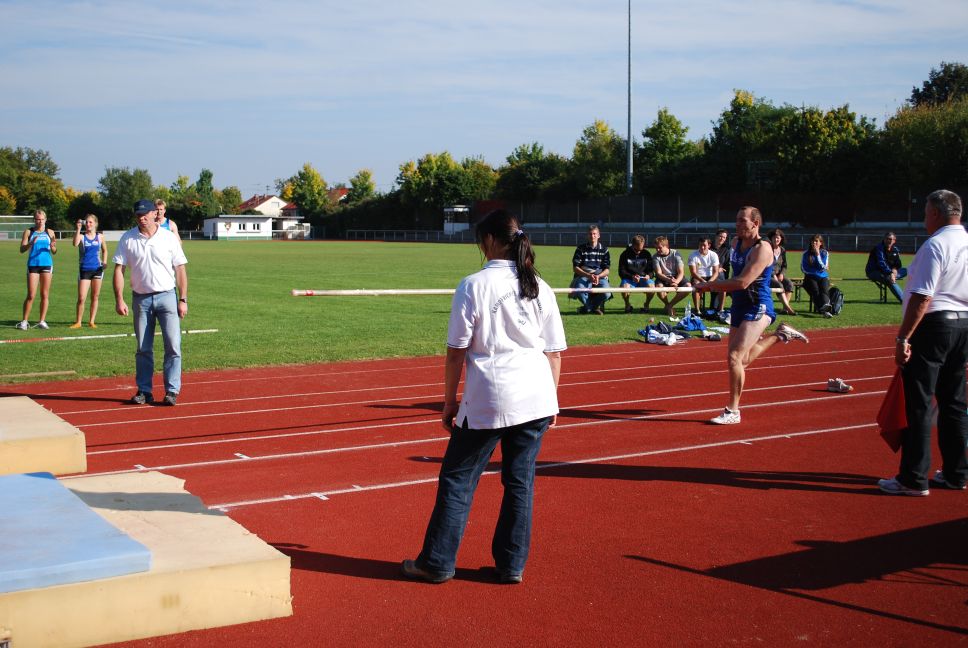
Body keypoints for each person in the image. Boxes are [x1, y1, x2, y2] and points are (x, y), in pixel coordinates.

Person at [401, 209, 566, 585]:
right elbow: (554, 353)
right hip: (536, 396)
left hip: (492, 396)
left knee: (458, 479)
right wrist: (551, 400)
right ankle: (511, 565)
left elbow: (456, 351)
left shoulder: (474, 285)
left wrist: (449, 402)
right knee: (520, 482)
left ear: (490, 240)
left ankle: (437, 562)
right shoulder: (540, 286)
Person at [878, 190, 967, 496]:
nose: (924, 218)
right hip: (962, 324)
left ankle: (913, 478)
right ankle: (957, 473)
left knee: (919, 403)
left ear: (936, 213)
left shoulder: (936, 245)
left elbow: (922, 297)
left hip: (935, 326)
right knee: (954, 402)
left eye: (926, 212)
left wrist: (903, 337)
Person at [694, 207, 809, 425]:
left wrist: (710, 286)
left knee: (734, 358)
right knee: (742, 359)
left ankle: (733, 411)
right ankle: (780, 335)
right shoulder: (735, 243)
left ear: (755, 224)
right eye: (736, 220)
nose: (737, 224)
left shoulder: (762, 249)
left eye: (742, 221)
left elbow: (743, 282)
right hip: (739, 305)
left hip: (758, 305)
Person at [113, 199, 189, 406]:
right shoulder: (128, 238)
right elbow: (119, 269)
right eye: (138, 215)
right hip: (141, 299)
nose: (142, 218)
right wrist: (119, 299)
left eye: (145, 214)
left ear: (155, 213)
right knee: (143, 348)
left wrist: (183, 299)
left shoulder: (168, 237)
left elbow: (180, 269)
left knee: (173, 345)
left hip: (167, 297)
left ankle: (171, 391)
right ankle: (144, 391)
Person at [17, 209, 57, 330]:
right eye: (38, 219)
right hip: (33, 265)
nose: (40, 221)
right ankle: (24, 321)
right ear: (34, 220)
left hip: (47, 265)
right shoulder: (29, 232)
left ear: (45, 219)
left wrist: (52, 246)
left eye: (42, 219)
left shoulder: (50, 232)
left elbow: (54, 251)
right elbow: (21, 249)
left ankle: (42, 321)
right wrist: (30, 243)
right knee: (31, 295)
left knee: (44, 294)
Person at [70, 213, 108, 329]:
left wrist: (104, 262)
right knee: (81, 298)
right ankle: (78, 322)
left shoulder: (100, 237)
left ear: (95, 224)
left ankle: (91, 321)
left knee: (95, 296)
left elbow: (105, 250)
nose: (88, 224)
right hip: (84, 270)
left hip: (97, 270)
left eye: (90, 222)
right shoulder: (82, 237)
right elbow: (75, 244)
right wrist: (78, 229)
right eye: (86, 222)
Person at [569, 225, 611, 315]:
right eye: (590, 234)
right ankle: (593, 308)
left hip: (600, 276)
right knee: (579, 290)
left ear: (598, 235)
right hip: (584, 276)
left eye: (594, 234)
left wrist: (598, 276)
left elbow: (607, 270)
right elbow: (575, 268)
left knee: (607, 293)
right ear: (587, 235)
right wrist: (588, 275)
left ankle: (587, 308)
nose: (592, 236)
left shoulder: (604, 250)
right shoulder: (580, 249)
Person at [652, 236, 690, 317]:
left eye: (659, 248)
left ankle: (669, 305)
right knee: (659, 288)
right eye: (656, 248)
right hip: (663, 278)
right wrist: (669, 280)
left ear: (667, 246)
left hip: (676, 277)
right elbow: (658, 273)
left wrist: (676, 281)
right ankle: (667, 305)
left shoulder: (676, 254)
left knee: (688, 286)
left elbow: (681, 272)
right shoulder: (655, 257)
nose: (657, 250)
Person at [617, 234, 655, 313]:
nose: (639, 252)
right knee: (624, 287)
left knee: (652, 287)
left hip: (643, 279)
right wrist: (632, 277)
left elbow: (651, 271)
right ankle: (627, 304)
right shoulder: (624, 254)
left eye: (641, 249)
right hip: (630, 279)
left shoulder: (647, 254)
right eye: (637, 250)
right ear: (633, 245)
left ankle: (646, 305)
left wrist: (649, 276)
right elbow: (621, 271)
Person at [866, 232, 907, 302]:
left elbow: (898, 263)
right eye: (888, 239)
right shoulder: (878, 248)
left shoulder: (895, 249)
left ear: (894, 240)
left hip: (888, 272)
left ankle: (892, 277)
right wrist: (890, 273)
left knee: (908, 270)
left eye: (892, 239)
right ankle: (905, 301)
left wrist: (894, 269)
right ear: (884, 239)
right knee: (889, 279)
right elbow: (881, 263)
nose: (889, 241)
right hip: (874, 272)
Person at [801, 234, 833, 318]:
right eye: (813, 241)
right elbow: (804, 268)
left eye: (816, 241)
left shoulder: (824, 253)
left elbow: (823, 267)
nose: (814, 243)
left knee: (824, 290)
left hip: (823, 277)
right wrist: (815, 271)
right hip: (810, 277)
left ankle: (825, 309)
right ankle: (825, 311)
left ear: (820, 243)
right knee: (815, 291)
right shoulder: (806, 253)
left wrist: (818, 254)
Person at [767, 228, 796, 315]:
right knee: (778, 285)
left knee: (789, 284)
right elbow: (766, 265)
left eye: (778, 238)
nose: (776, 239)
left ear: (781, 239)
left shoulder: (782, 250)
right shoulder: (767, 249)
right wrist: (773, 275)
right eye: (774, 237)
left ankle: (784, 309)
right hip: (768, 275)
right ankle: (788, 308)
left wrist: (782, 274)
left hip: (779, 275)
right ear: (771, 238)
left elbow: (784, 265)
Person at [687, 237, 720, 314]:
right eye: (700, 245)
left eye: (704, 245)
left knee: (722, 287)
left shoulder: (714, 255)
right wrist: (703, 281)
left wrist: (709, 282)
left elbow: (716, 272)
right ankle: (697, 310)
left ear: (709, 245)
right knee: (696, 286)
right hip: (698, 276)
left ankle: (720, 310)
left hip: (711, 276)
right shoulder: (693, 255)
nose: (702, 247)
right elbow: (693, 273)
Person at [710, 229, 732, 312]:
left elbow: (727, 266)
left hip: (720, 275)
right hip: (708, 272)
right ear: (716, 236)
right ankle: (716, 308)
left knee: (722, 280)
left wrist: (726, 278)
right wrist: (716, 268)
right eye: (720, 236)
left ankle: (719, 309)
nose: (722, 239)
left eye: (724, 237)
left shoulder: (726, 250)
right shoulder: (708, 247)